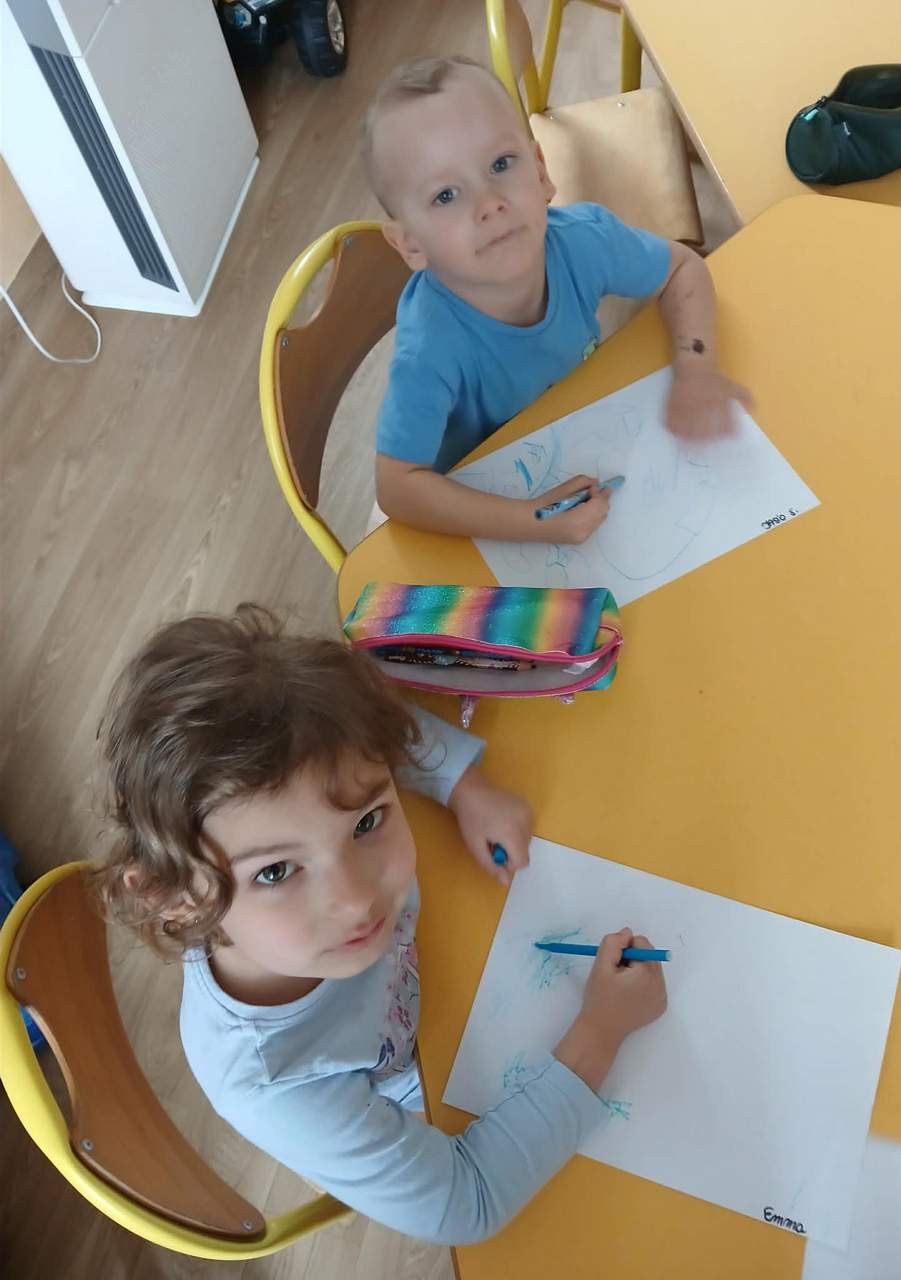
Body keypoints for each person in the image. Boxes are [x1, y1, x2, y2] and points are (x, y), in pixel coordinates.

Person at [94, 604, 667, 1244]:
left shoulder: (334, 779)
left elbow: (374, 734)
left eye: (366, 822)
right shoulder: (276, 1085)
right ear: (175, 897)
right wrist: (601, 1031)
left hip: (453, 999)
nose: (358, 899)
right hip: (421, 1098)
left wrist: (463, 785)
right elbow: (469, 1203)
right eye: (276, 872)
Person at [365, 56, 754, 545]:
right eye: (446, 195)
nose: (489, 204)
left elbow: (683, 268)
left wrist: (696, 370)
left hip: (579, 443)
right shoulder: (429, 350)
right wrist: (532, 521)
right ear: (410, 244)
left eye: (500, 164)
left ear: (541, 171)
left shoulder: (583, 241)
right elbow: (398, 487)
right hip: (479, 503)